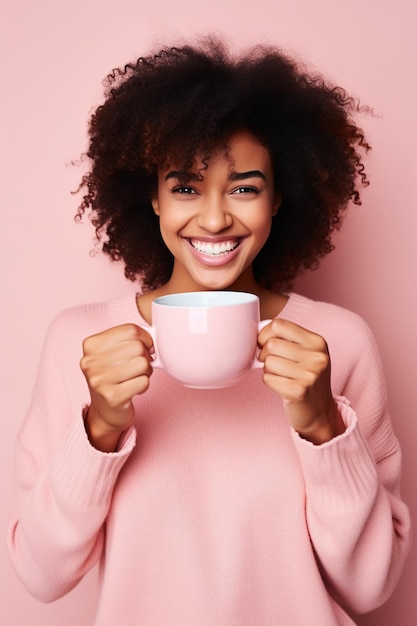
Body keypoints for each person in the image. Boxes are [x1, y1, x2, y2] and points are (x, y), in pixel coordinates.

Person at [8, 38, 411, 625]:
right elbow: (40, 577)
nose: (217, 217)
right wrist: (97, 430)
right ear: (152, 196)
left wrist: (326, 427)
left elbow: (372, 587)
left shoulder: (337, 343)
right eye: (187, 187)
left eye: (245, 187)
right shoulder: (84, 344)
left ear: (278, 198)